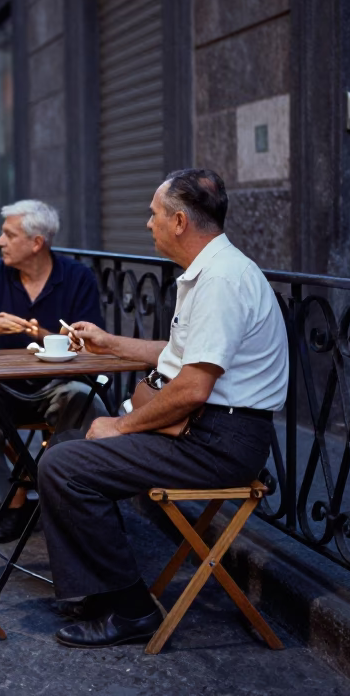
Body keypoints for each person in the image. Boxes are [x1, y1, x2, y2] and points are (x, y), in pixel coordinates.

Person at [40, 169, 289, 649]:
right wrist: (111, 344)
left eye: (153, 215)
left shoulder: (221, 280)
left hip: (218, 442)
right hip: (209, 431)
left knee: (65, 466)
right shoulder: (211, 271)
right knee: (65, 448)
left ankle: (132, 610)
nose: (147, 223)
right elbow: (180, 356)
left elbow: (194, 387)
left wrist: (122, 425)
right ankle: (99, 592)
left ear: (178, 221)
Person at [0, 199, 107, 543]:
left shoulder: (77, 277)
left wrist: (40, 335)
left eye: (8, 234)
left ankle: (59, 494)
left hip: (59, 385)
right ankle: (10, 502)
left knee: (86, 403)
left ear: (37, 243)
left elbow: (93, 346)